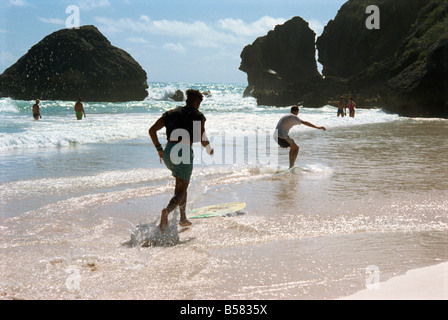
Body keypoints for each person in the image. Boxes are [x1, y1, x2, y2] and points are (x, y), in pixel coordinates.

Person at [149, 89, 214, 231]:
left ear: (186, 100)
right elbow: (203, 139)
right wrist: (210, 149)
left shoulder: (170, 113)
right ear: (197, 103)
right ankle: (166, 211)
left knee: (181, 186)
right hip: (183, 152)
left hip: (168, 152)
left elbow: (152, 130)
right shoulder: (198, 115)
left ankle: (183, 218)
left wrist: (159, 149)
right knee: (181, 190)